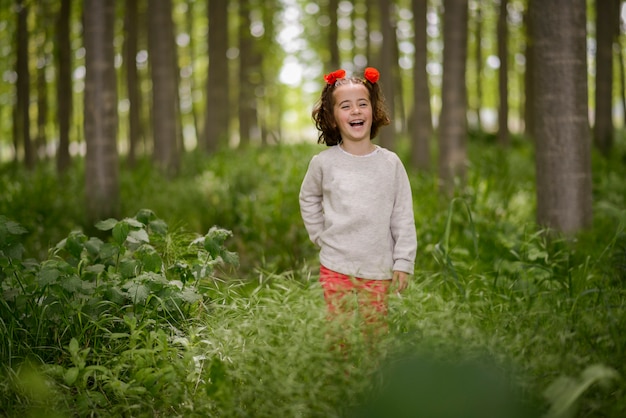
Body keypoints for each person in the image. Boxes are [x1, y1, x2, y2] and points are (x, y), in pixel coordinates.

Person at [299, 67, 417, 336]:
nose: (355, 111)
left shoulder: (390, 163)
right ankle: (341, 377)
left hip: (378, 267)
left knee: (374, 334)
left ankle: (373, 378)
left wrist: (403, 261)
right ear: (332, 117)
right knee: (339, 333)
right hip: (335, 265)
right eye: (346, 106)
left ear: (373, 111)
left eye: (362, 104)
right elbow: (308, 198)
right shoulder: (324, 164)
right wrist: (319, 235)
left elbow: (403, 216)